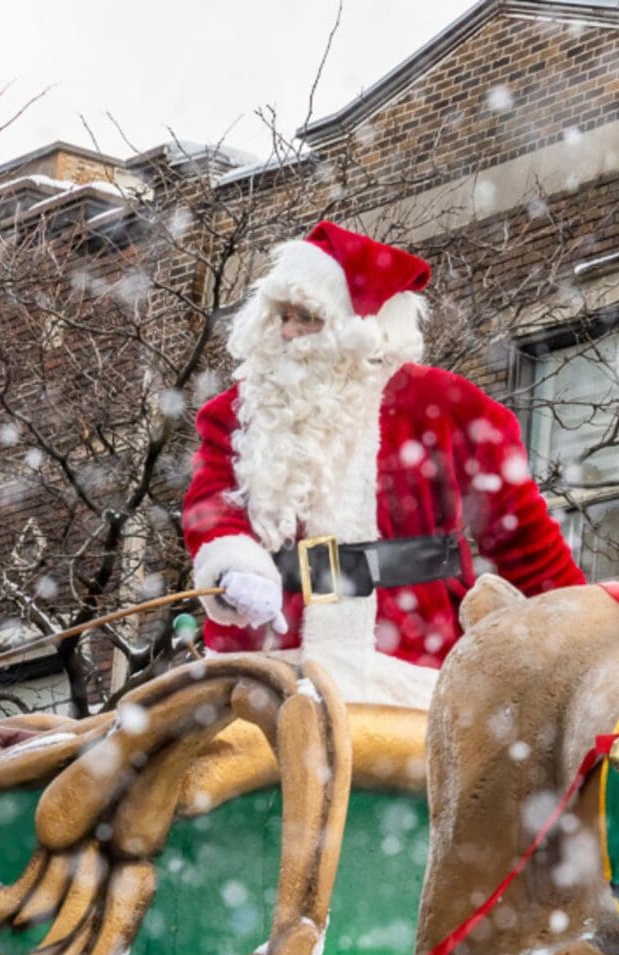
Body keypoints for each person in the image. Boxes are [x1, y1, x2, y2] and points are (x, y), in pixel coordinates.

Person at [182, 221, 584, 707]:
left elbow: (523, 540)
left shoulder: (447, 405)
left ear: (361, 327)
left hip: (411, 670)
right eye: (281, 316)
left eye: (306, 318)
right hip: (268, 668)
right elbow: (210, 506)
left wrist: (586, 630)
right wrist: (233, 567)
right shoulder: (235, 411)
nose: (287, 333)